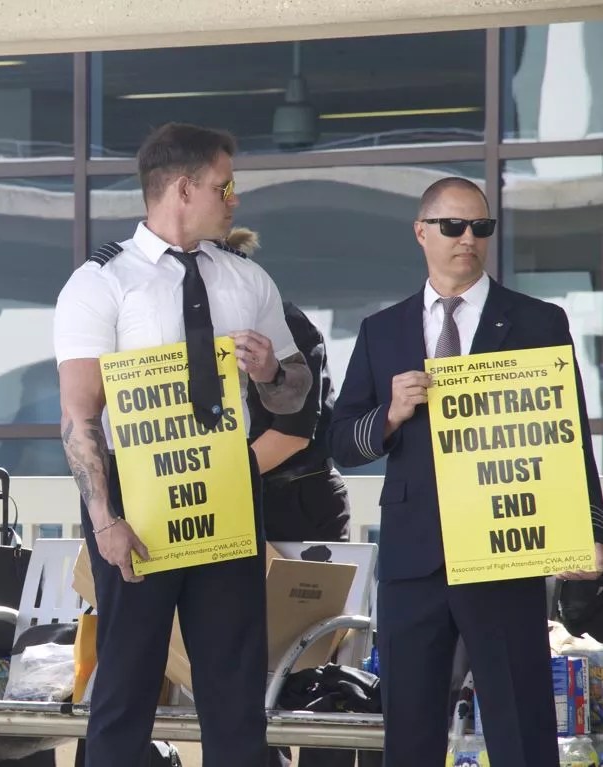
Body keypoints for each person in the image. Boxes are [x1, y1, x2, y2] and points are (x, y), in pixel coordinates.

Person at [54, 122, 312, 767]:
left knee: (234, 683)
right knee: (127, 681)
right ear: (183, 187)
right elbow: (80, 417)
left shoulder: (246, 279)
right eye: (224, 187)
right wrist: (105, 520)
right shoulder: (101, 282)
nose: (234, 199)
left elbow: (295, 396)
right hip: (137, 498)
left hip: (225, 489)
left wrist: (270, 373)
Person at [330, 177, 603, 767]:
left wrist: (589, 531)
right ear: (421, 232)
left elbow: (569, 437)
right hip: (414, 557)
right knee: (410, 732)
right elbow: (342, 443)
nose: (468, 239)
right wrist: (390, 414)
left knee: (522, 728)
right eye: (453, 226)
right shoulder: (383, 330)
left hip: (503, 548)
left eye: (481, 227)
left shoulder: (538, 321)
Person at [229, 228, 362, 767]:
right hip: (236, 502)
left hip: (298, 502)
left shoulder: (287, 327)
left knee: (312, 660)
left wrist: (209, 482)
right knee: (245, 662)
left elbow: (292, 435)